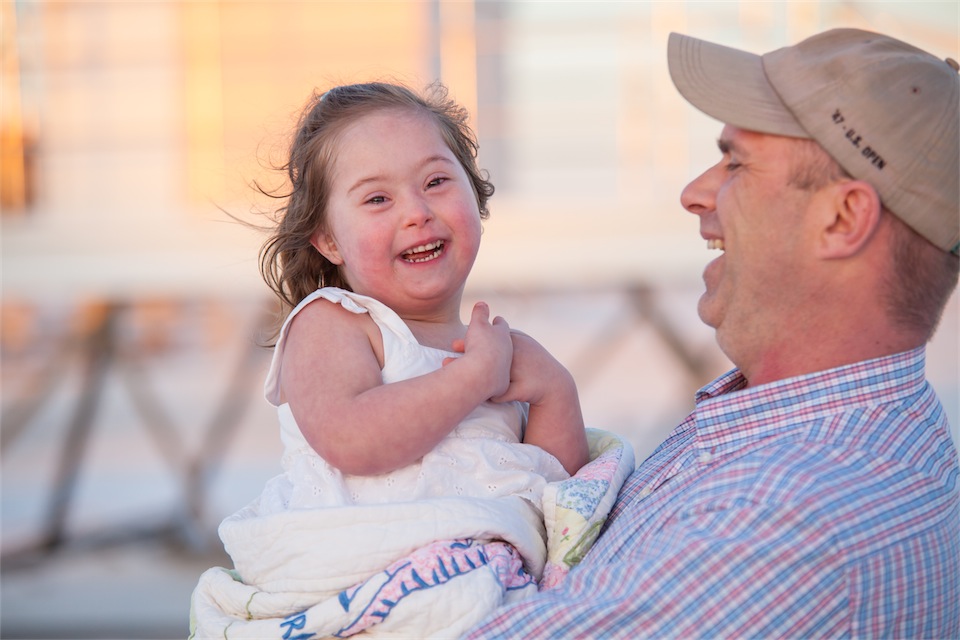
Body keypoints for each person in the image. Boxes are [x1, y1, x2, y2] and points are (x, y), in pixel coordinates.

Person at [467, 28, 959, 638]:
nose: (694, 193)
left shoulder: (784, 520)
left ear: (842, 219)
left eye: (736, 162)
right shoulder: (853, 430)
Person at [190, 82, 628, 639]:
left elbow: (549, 497)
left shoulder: (494, 349)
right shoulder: (335, 322)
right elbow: (350, 438)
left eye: (437, 182)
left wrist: (553, 394)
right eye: (378, 199)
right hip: (360, 585)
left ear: (477, 196)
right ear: (328, 239)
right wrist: (470, 380)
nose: (417, 213)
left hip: (483, 586)